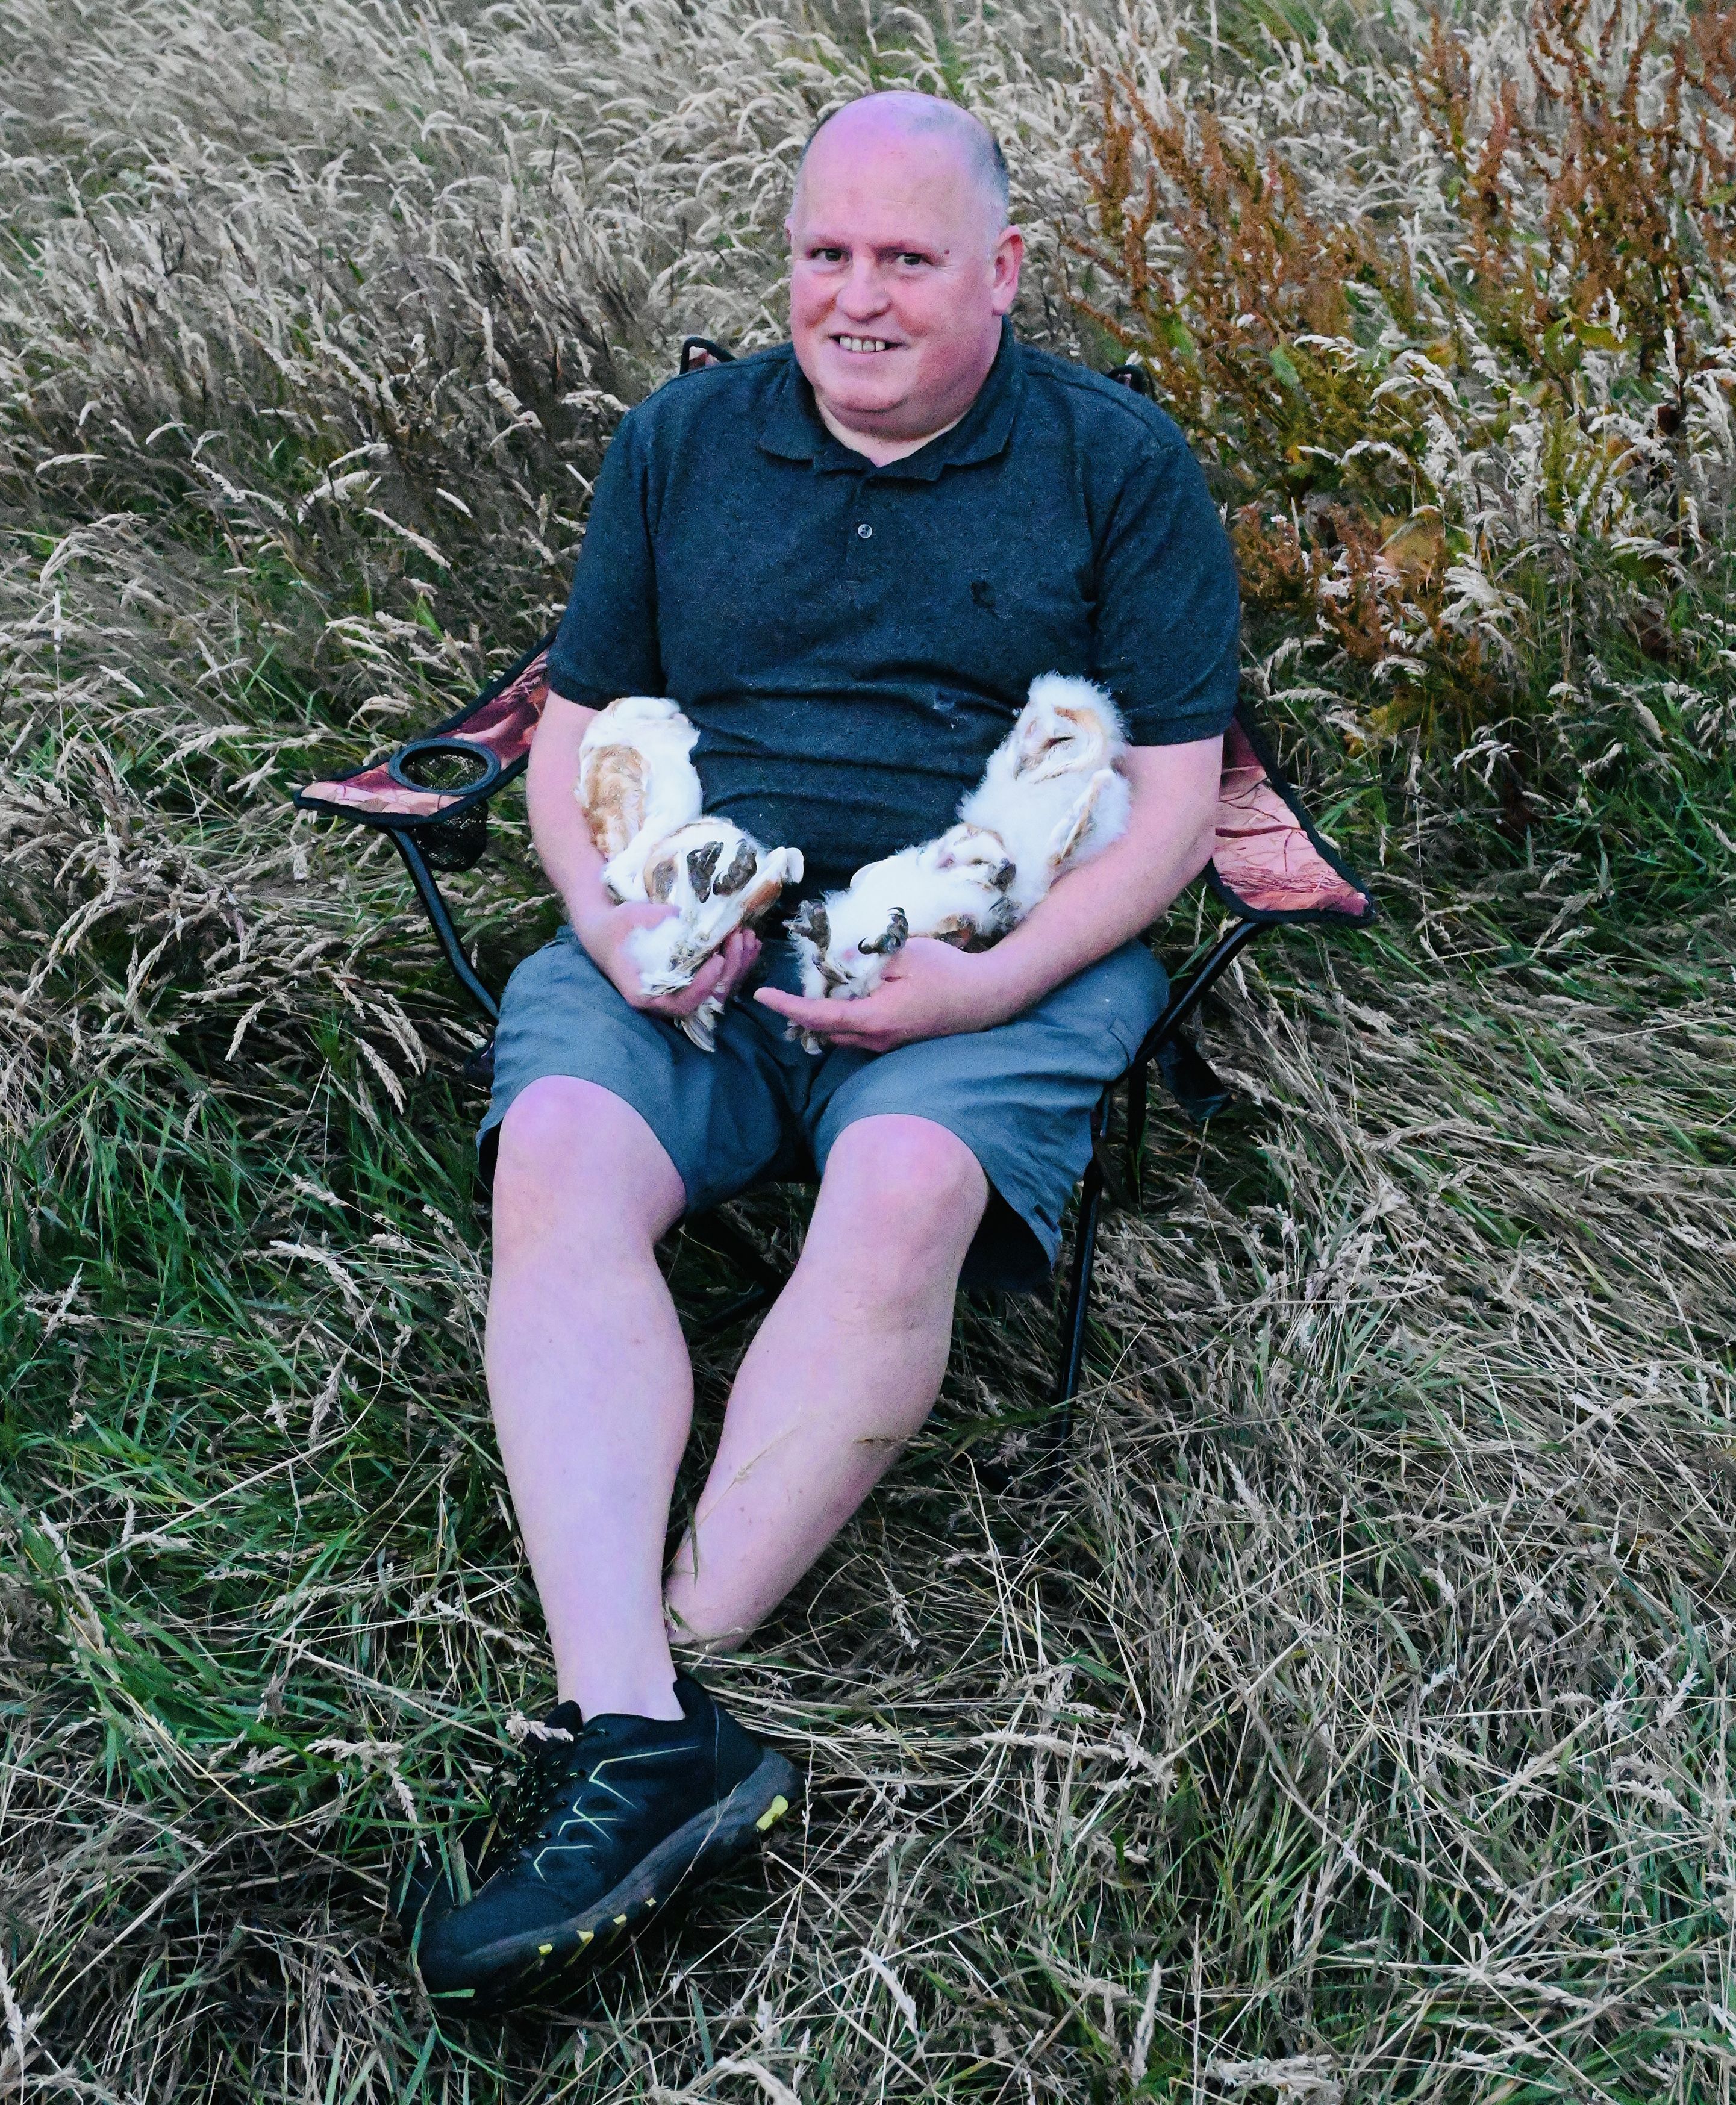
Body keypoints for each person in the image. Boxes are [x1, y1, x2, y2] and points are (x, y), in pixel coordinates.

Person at [410, 88, 1238, 2011]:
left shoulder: (1116, 465)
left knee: (899, 1186)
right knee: (560, 1166)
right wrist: (620, 923)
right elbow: (580, 721)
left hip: (981, 940)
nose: (852, 300)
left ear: (1003, 273)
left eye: (904, 259)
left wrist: (978, 985)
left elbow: (1177, 799)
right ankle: (642, 1730)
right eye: (822, 255)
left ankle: (654, 1663)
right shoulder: (682, 442)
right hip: (702, 911)